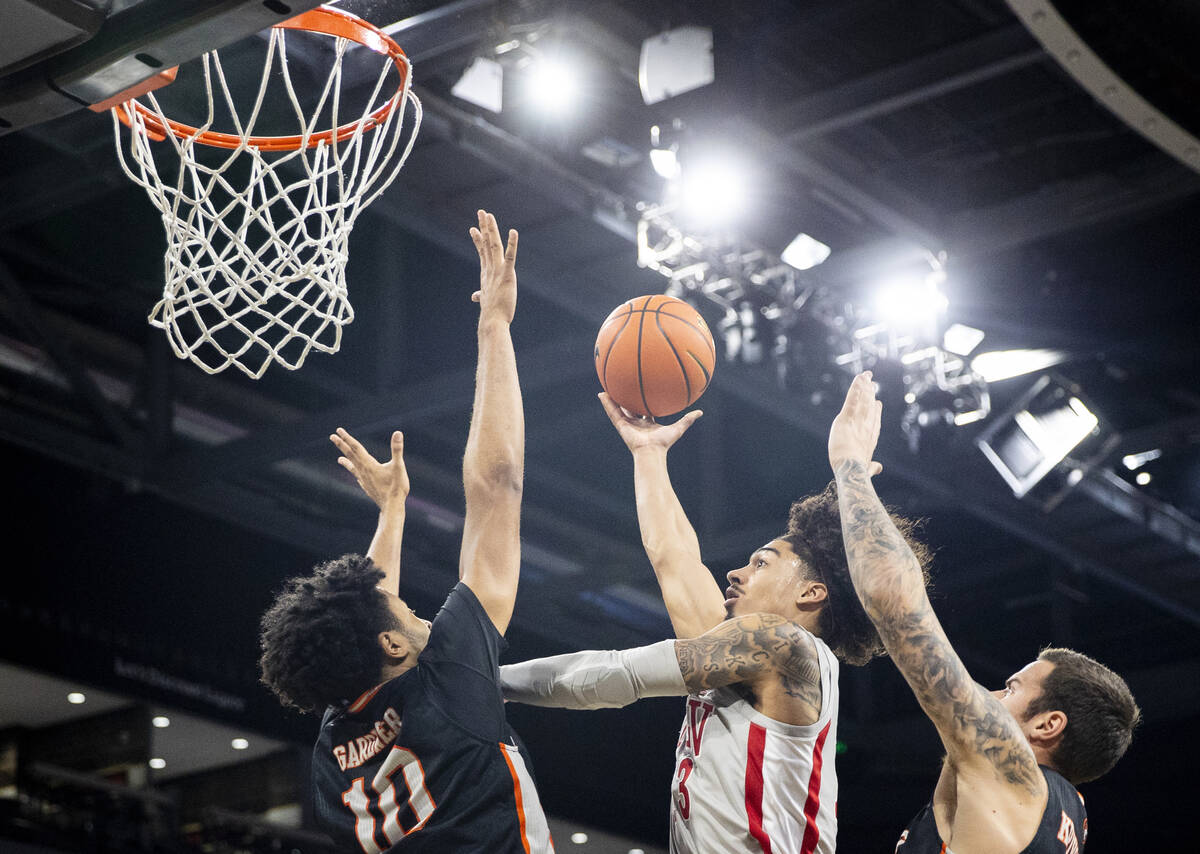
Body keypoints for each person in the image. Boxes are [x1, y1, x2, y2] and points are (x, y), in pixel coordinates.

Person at [500, 393, 931, 854]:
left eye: (761, 563)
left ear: (811, 592)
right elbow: (674, 558)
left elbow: (620, 672)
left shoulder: (781, 644)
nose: (736, 572)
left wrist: (483, 679)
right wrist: (649, 455)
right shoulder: (749, 654)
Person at [258, 211, 554, 853]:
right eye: (407, 609)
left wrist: (391, 513)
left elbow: (370, 615)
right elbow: (497, 485)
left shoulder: (335, 749)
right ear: (393, 645)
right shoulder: (447, 684)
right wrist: (494, 327)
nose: (418, 606)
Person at [827, 371, 1141, 854]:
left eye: (1013, 688)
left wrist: (848, 468)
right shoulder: (1060, 812)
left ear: (1046, 725)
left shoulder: (1010, 769)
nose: (992, 692)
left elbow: (898, 607)